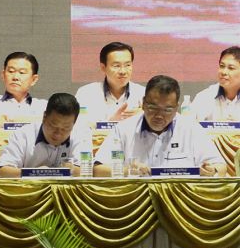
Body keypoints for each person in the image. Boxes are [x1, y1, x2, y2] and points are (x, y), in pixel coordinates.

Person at [94, 75, 226, 177]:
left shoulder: (191, 129)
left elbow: (221, 167)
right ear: (143, 103)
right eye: (153, 107)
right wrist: (128, 170)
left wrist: (212, 170)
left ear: (176, 108)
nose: (159, 115)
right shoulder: (124, 129)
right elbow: (98, 170)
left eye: (167, 110)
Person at [0, 93, 92, 178]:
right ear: (44, 117)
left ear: (74, 123)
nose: (58, 134)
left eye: (65, 129)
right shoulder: (23, 135)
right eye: (53, 126)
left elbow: (87, 172)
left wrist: (72, 170)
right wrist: (34, 174)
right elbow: (0, 171)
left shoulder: (82, 135)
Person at [75, 41, 145, 125]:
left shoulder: (143, 94)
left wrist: (145, 118)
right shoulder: (85, 93)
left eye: (127, 65)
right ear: (103, 67)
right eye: (116, 66)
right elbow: (79, 128)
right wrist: (111, 123)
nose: (123, 71)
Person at [0, 52, 47, 131]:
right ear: (3, 75)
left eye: (22, 72)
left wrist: (5, 122)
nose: (15, 77)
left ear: (34, 79)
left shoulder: (43, 107)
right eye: (11, 71)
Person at [191, 46, 240, 121]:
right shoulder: (204, 97)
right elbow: (188, 127)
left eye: (231, 68)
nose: (223, 72)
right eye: (222, 66)